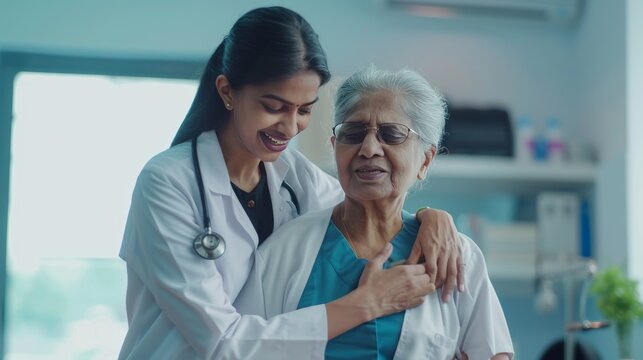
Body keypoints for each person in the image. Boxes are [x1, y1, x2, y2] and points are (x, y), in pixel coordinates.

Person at [118, 6, 464, 360]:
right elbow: (223, 344)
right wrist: (367, 303)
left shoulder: (299, 179)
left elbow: (372, 207)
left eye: (304, 110)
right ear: (227, 91)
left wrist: (431, 217)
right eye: (274, 106)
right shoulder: (167, 184)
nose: (289, 126)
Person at [239, 66, 514, 359]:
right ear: (335, 148)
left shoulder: (457, 256)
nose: (369, 148)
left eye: (392, 134)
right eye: (353, 133)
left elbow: (493, 353)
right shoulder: (286, 250)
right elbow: (241, 349)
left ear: (425, 160)